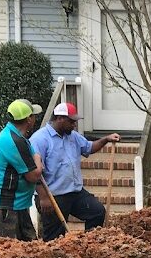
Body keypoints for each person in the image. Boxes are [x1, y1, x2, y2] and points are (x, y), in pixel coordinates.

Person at [30, 102, 121, 241]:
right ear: (60, 119)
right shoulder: (40, 139)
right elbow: (34, 170)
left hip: (75, 192)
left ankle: (89, 247)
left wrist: (106, 139)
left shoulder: (72, 136)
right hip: (53, 195)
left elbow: (89, 148)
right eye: (71, 121)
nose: (74, 125)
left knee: (97, 212)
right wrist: (43, 198)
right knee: (56, 236)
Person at [0, 99, 43, 241]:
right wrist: (38, 160)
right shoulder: (13, 140)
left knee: (30, 250)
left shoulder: (17, 136)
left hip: (17, 204)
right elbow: (33, 176)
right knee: (9, 253)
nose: (35, 118)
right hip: (5, 206)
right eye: (33, 115)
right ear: (29, 119)